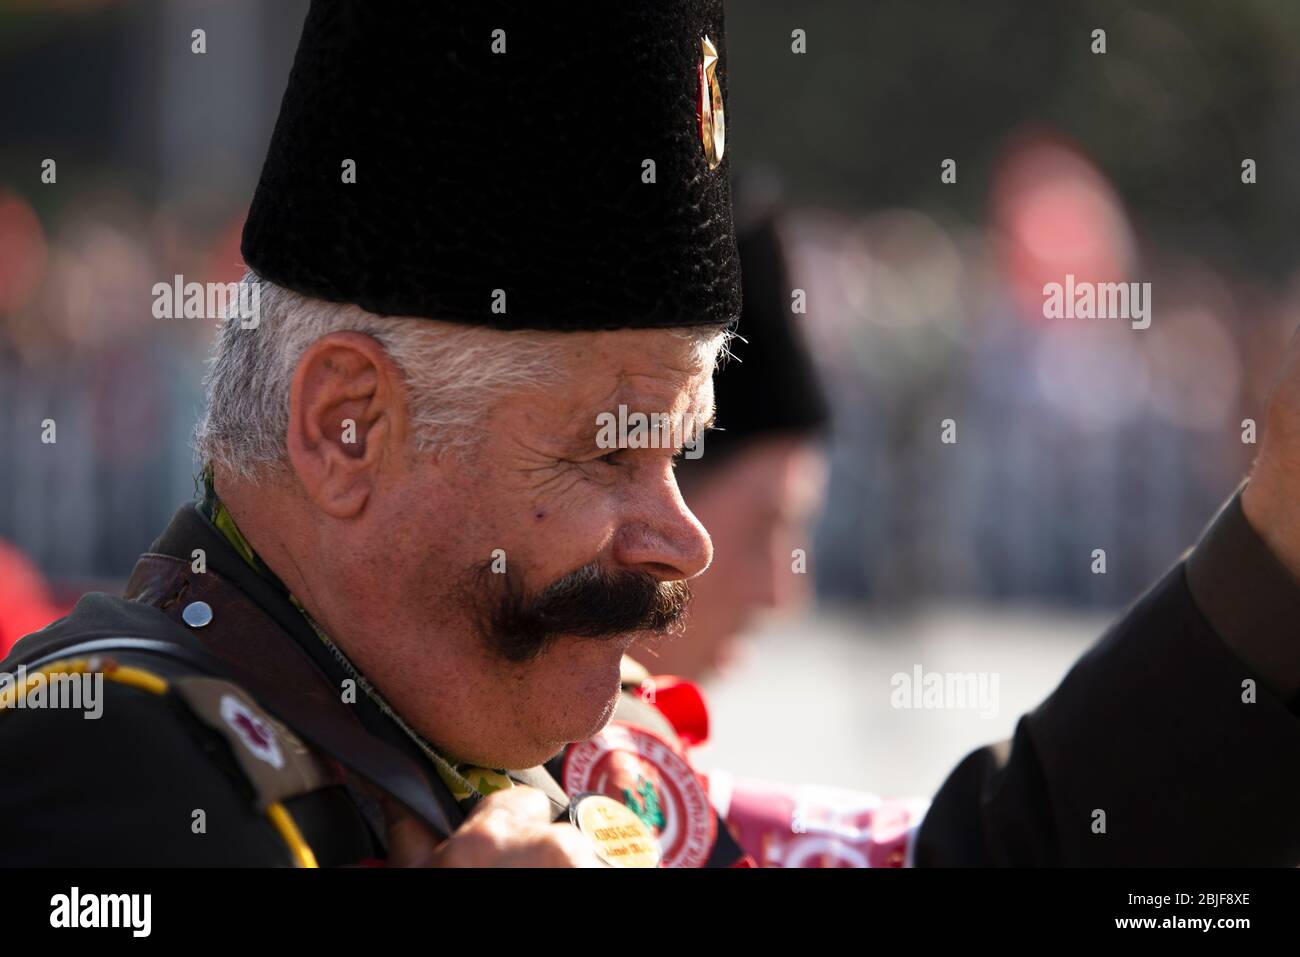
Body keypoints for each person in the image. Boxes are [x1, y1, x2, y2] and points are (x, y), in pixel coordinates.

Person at [4, 1, 1300, 868]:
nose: (679, 532)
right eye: (611, 449)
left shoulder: (572, 765)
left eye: (680, 448)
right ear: (348, 427)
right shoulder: (87, 763)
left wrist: (1274, 557)